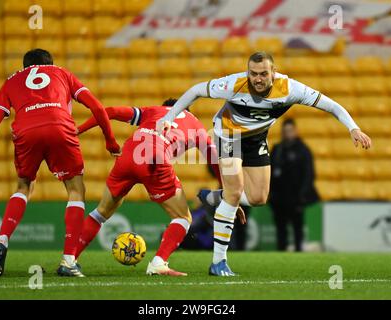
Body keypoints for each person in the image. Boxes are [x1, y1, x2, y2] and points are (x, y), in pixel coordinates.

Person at [157, 51, 372, 276]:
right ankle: (218, 262)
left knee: (258, 198)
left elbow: (332, 106)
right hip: (228, 136)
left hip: (256, 139)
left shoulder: (290, 89)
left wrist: (353, 128)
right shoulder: (234, 84)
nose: (257, 79)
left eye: (263, 74)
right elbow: (196, 91)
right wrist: (168, 118)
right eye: (253, 73)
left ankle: (215, 197)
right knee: (234, 192)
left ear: (274, 72)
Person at [0, 49, 119, 277]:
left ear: (25, 67)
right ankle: (69, 261)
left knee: (23, 186)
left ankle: (2, 240)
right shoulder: (62, 73)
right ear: (50, 64)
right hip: (60, 127)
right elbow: (98, 108)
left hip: (26, 132)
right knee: (75, 189)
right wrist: (110, 141)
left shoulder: (11, 80)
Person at [75, 99, 245, 276]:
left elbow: (109, 110)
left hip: (127, 155)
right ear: (187, 110)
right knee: (183, 217)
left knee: (100, 212)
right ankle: (159, 263)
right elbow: (215, 161)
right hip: (155, 159)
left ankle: (70, 259)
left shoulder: (153, 110)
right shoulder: (196, 125)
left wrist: (79, 130)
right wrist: (228, 196)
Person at [269, 118, 319, 252]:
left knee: (298, 228)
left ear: (295, 131)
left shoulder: (303, 150)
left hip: (296, 197)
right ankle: (281, 254)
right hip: (279, 198)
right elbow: (269, 172)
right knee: (281, 229)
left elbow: (309, 174)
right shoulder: (277, 149)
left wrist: (303, 195)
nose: (287, 134)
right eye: (285, 131)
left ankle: (298, 251)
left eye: (290, 130)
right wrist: (271, 194)